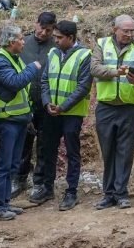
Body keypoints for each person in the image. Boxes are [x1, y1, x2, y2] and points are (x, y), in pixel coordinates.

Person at [89, 14, 134, 210]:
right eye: (125, 31)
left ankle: (121, 193)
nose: (129, 34)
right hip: (106, 106)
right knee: (108, 151)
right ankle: (108, 194)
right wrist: (117, 72)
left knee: (125, 152)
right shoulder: (101, 44)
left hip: (129, 107)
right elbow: (94, 68)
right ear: (114, 29)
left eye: (132, 30)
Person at [0, 23, 43, 221]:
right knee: (3, 165)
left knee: (11, 165)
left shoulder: (13, 58)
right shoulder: (0, 61)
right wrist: (33, 68)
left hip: (18, 120)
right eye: (20, 39)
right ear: (11, 42)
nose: (23, 42)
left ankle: (5, 203)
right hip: (7, 121)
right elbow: (16, 83)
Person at [35, 19, 92, 211]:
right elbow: (45, 81)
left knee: (72, 151)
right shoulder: (53, 53)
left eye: (59, 38)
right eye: (55, 37)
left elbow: (83, 87)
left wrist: (63, 107)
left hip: (72, 114)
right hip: (52, 111)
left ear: (71, 38)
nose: (56, 40)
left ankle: (71, 191)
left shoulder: (85, 55)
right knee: (48, 149)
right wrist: (46, 102)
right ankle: (47, 187)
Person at [17, 12, 57, 194]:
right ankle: (19, 179)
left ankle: (40, 182)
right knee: (23, 143)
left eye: (48, 30)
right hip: (24, 102)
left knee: (44, 144)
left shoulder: (56, 47)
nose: (44, 32)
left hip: (47, 103)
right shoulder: (23, 44)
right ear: (36, 24)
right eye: (41, 28)